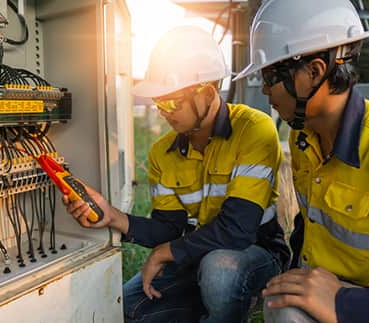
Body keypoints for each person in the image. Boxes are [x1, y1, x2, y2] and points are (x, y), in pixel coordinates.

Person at [233, 0, 369, 322]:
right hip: (331, 286)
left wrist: (346, 304)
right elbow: (309, 225)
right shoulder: (303, 137)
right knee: (284, 301)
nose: (265, 90)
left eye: (269, 75)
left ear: (314, 71)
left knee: (289, 313)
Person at [63, 26, 290, 322]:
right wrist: (114, 216)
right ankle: (208, 307)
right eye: (159, 103)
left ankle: (229, 304)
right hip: (196, 254)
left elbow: (238, 229)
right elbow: (169, 228)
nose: (165, 112)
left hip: (255, 251)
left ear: (208, 93)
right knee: (126, 309)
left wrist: (164, 252)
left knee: (220, 272)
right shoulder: (162, 153)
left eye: (172, 102)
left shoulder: (254, 130)